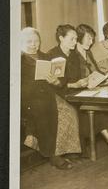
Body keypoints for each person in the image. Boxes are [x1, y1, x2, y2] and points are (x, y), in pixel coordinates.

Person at [58, 24, 108, 155]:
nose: (91, 42)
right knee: (98, 108)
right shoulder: (73, 54)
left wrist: (107, 78)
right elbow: (73, 78)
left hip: (90, 88)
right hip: (77, 90)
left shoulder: (88, 52)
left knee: (102, 107)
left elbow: (96, 70)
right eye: (88, 39)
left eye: (92, 39)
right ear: (80, 38)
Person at [21, 27, 81, 169]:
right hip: (29, 98)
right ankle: (52, 154)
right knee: (45, 110)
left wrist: (56, 81)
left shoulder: (45, 56)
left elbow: (61, 79)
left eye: (36, 41)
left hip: (49, 93)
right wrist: (38, 82)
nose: (33, 44)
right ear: (21, 43)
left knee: (69, 110)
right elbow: (17, 88)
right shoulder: (18, 61)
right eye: (29, 41)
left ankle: (66, 149)